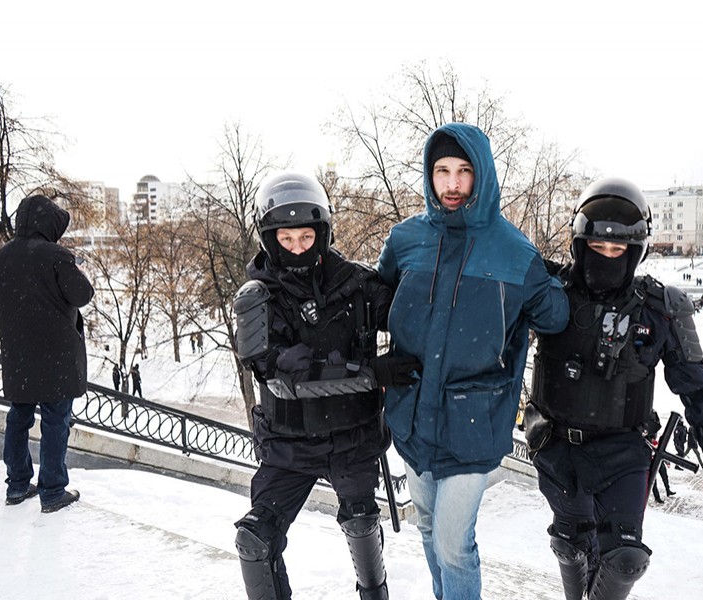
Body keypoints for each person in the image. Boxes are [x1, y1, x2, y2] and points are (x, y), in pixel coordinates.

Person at [376, 123, 570, 600]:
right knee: (426, 528)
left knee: (452, 543)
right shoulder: (406, 241)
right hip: (413, 416)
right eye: (442, 171)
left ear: (481, 175)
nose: (452, 183)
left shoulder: (513, 250)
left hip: (474, 420)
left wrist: (555, 278)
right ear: (429, 175)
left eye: (464, 171)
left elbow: (555, 317)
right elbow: (375, 304)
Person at [525, 177, 703, 600]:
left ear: (635, 251)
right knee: (571, 546)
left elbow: (699, 390)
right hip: (557, 447)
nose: (606, 257)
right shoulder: (549, 293)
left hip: (623, 453)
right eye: (597, 248)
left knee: (625, 559)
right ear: (579, 245)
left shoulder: (660, 309)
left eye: (617, 249)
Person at [232, 172, 420, 600]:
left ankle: (375, 594)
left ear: (322, 232)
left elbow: (412, 315)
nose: (298, 248)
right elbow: (276, 374)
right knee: (255, 540)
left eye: (305, 236)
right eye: (286, 239)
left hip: (352, 437)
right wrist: (370, 372)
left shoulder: (357, 284)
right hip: (288, 442)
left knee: (360, 520)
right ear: (269, 238)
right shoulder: (257, 297)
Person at [0, 194, 94, 513]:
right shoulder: (56, 256)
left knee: (19, 417)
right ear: (46, 222)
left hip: (18, 355)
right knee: (55, 420)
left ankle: (18, 484)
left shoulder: (0, 258)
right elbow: (83, 294)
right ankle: (52, 491)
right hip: (55, 356)